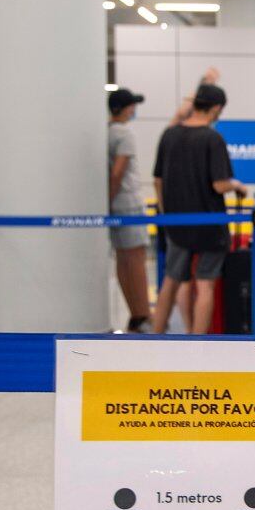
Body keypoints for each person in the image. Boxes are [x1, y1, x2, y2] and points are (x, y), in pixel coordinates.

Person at [150, 84, 246, 334]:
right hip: (209, 224)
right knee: (205, 285)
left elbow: (157, 180)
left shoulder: (169, 135)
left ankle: (154, 337)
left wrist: (166, 213)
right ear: (215, 108)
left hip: (176, 223)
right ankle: (197, 343)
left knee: (171, 281)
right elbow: (219, 184)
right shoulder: (212, 139)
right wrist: (237, 185)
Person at [107, 88, 151, 333]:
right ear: (123, 108)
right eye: (131, 105)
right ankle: (142, 314)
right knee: (136, 259)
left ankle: (136, 314)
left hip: (116, 206)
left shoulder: (107, 132)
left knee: (123, 259)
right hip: (128, 204)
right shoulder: (124, 134)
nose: (134, 109)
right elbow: (118, 172)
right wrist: (111, 200)